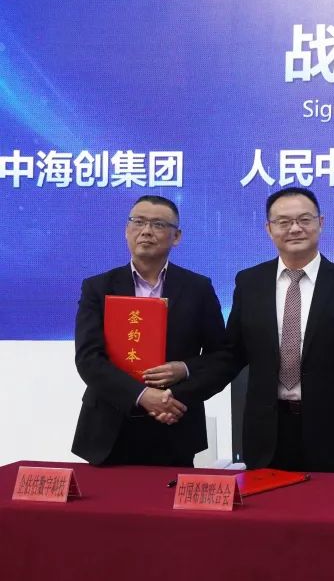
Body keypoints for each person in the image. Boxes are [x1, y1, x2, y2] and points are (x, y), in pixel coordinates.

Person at [195, 187, 334, 473]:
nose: (295, 228)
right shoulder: (250, 282)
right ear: (269, 229)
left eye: (304, 219)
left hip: (330, 431)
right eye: (283, 222)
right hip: (266, 432)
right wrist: (184, 393)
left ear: (321, 222)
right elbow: (231, 354)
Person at [72, 195, 226, 467]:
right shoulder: (97, 287)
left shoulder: (198, 288)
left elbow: (221, 357)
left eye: (158, 224)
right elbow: (88, 359)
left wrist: (183, 373)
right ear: (126, 230)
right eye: (138, 222)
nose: (146, 231)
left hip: (175, 421)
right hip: (109, 426)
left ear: (176, 236)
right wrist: (143, 396)